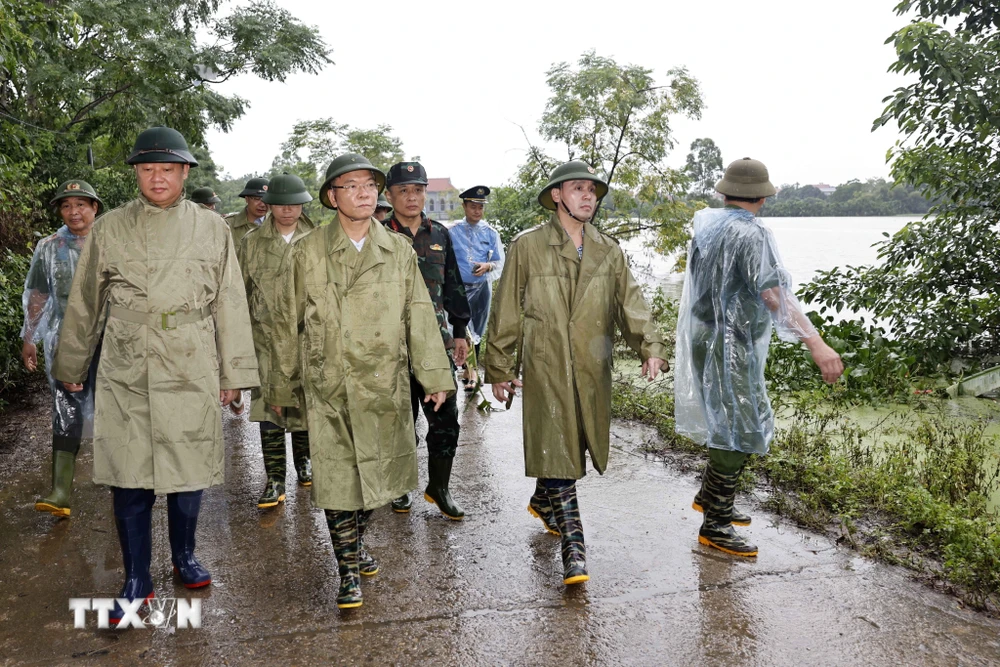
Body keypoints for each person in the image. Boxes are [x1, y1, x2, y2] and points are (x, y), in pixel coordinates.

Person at [51, 126, 258, 624]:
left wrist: (234, 371)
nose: (158, 178)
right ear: (137, 174)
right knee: (129, 469)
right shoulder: (111, 227)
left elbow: (229, 302)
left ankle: (184, 557)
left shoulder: (212, 229)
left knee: (189, 465)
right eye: (148, 169)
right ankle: (136, 574)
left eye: (168, 169)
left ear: (185, 172)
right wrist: (72, 365)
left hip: (190, 356)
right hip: (127, 361)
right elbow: (85, 302)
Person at [266, 153, 453, 609]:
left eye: (370, 185)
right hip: (328, 382)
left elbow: (419, 316)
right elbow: (285, 321)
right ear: (332, 197)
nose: (364, 193)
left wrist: (433, 374)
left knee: (380, 475)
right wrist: (279, 386)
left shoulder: (397, 251)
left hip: (384, 383)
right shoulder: (307, 252)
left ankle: (355, 542)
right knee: (337, 477)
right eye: (351, 186)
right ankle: (347, 568)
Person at [485, 160, 667, 586]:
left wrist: (651, 348)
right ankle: (574, 547)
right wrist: (498, 365)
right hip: (545, 367)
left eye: (593, 190)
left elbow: (632, 305)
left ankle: (544, 500)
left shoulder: (608, 250)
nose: (588, 196)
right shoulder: (527, 247)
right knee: (558, 446)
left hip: (591, 366)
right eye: (578, 188)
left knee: (571, 444)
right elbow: (507, 309)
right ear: (556, 195)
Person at [674, 157, 844, 558]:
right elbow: (774, 295)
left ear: (725, 191)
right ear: (763, 197)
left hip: (706, 337)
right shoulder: (753, 235)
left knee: (732, 418)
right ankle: (714, 524)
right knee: (739, 426)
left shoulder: (708, 227)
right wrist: (817, 344)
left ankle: (712, 497)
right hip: (729, 343)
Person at [383, 162, 471, 519]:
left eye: (417, 190)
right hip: (391, 346)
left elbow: (453, 285)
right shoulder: (378, 235)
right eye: (404, 190)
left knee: (445, 416)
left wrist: (461, 332)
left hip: (435, 343)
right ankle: (400, 487)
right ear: (389, 196)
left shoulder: (440, 234)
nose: (412, 197)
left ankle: (439, 487)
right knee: (399, 419)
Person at [22, 180, 103, 518]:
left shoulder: (111, 242)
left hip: (112, 338)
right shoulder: (49, 247)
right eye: (67, 206)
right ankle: (60, 491)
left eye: (81, 204)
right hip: (66, 339)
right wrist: (29, 337)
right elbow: (38, 294)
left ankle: (127, 482)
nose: (74, 212)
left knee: (120, 408)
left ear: (94, 208)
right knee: (65, 407)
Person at [237, 173, 315, 508]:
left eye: (294, 204)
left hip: (306, 340)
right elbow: (239, 294)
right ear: (268, 206)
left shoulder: (317, 240)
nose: (288, 210)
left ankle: (305, 463)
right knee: (268, 407)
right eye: (281, 204)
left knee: (305, 404)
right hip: (266, 340)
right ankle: (275, 479)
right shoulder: (252, 243)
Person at [450, 185, 505, 390]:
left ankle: (471, 372)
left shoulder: (491, 234)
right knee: (460, 328)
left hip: (481, 289)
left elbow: (500, 262)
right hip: (458, 290)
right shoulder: (452, 232)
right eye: (473, 206)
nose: (477, 211)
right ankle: (466, 368)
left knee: (477, 331)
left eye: (480, 207)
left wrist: (488, 265)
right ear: (464, 206)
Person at [225, 177, 270, 243]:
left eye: (267, 199)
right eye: (257, 199)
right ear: (247, 199)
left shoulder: (278, 224)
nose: (262, 205)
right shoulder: (228, 224)